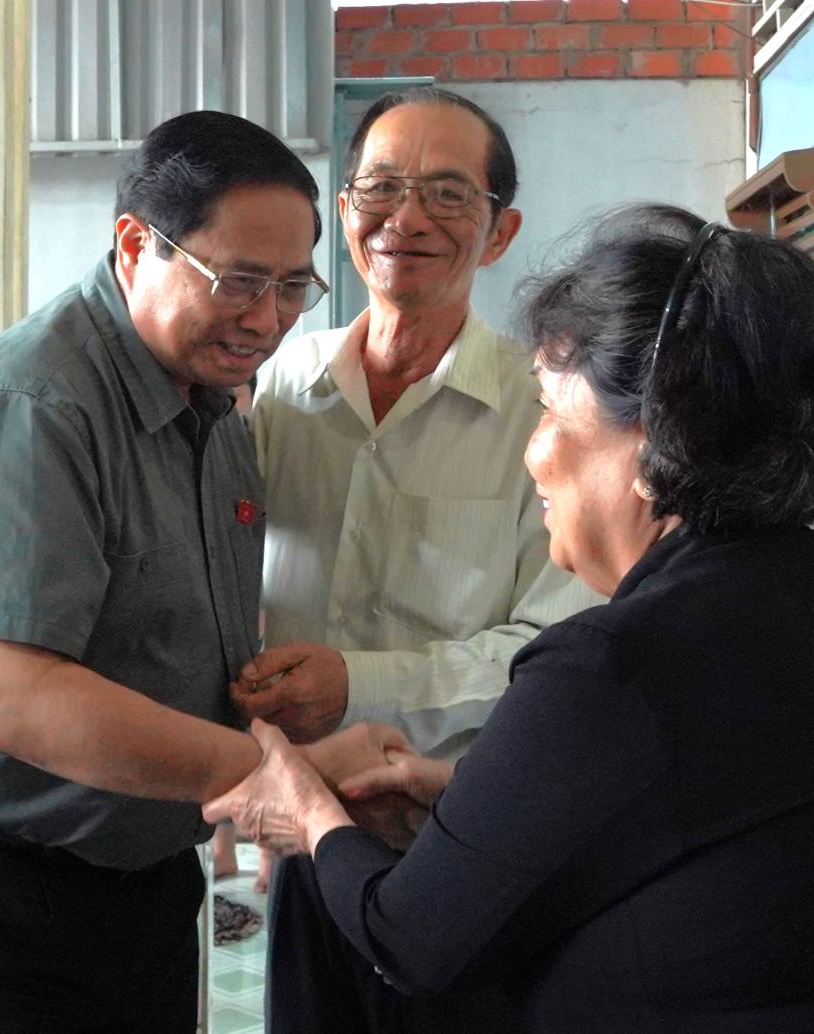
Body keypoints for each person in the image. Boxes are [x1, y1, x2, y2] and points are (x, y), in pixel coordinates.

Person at [207, 204, 814, 1032]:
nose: (533, 454)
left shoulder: (621, 662)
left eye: (552, 414)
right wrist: (467, 798)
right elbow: (719, 807)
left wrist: (307, 811)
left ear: (654, 442)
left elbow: (409, 938)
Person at [0, 111, 406, 1034]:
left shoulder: (213, 414)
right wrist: (271, 778)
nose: (266, 319)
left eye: (295, 286)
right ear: (135, 245)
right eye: (239, 281)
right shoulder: (29, 405)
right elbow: (13, 698)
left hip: (136, 880)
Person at [237, 87, 601, 1032]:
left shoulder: (546, 414)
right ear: (345, 210)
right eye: (381, 189)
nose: (406, 220)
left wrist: (352, 685)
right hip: (310, 845)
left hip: (471, 846)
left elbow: (545, 652)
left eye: (447, 195)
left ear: (499, 231)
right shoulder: (276, 390)